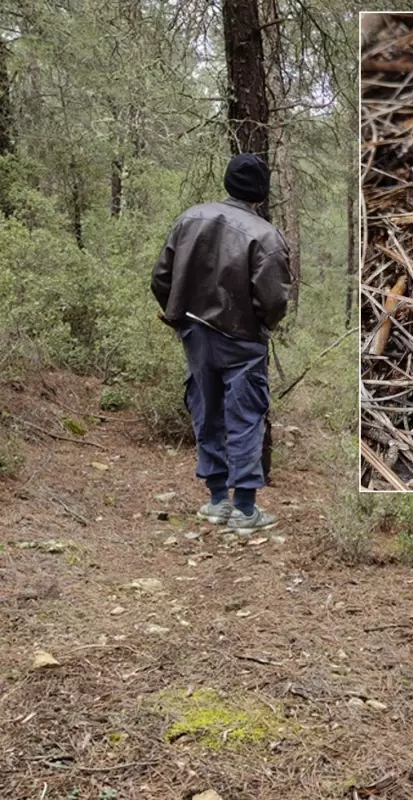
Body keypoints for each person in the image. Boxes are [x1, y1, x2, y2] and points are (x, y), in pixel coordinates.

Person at [151, 154, 291, 531]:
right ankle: (244, 509)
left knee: (206, 410)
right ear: (261, 193)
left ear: (228, 182)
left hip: (195, 334)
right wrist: (259, 327)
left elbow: (161, 278)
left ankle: (217, 502)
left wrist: (180, 317)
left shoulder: (189, 219)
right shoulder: (266, 236)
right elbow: (274, 300)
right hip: (243, 339)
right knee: (245, 416)